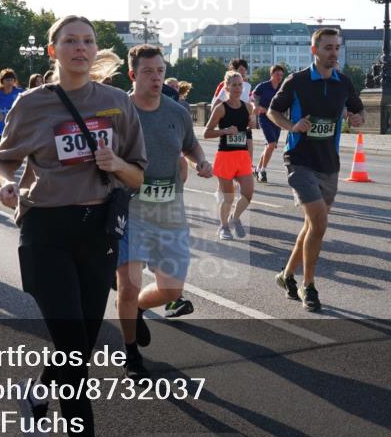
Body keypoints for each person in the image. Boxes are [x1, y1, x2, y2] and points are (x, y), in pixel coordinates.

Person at [0, 15, 145, 437]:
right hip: (46, 230)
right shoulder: (31, 103)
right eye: (71, 41)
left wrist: (115, 163)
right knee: (75, 351)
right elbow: (4, 159)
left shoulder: (117, 103)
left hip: (97, 231)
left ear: (95, 51)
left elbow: (137, 176)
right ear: (52, 50)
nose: (81, 48)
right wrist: (6, 184)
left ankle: (39, 393)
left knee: (78, 346)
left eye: (88, 41)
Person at [117, 44, 212, 380]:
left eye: (160, 71)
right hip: (129, 212)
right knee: (128, 287)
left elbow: (190, 144)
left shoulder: (177, 112)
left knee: (171, 291)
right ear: (133, 75)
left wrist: (200, 160)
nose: (156, 78)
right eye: (148, 72)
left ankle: (139, 309)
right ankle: (131, 353)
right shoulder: (119, 111)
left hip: (169, 212)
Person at [268, 28, 364, 312]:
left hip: (329, 163)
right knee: (319, 223)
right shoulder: (296, 81)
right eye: (328, 48)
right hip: (299, 160)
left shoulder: (343, 83)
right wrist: (292, 126)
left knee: (313, 226)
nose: (334, 53)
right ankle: (307, 285)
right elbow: (273, 111)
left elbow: (359, 111)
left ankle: (286, 275)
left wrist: (358, 118)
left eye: (336, 48)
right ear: (315, 50)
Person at [204, 70, 256, 240]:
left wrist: (252, 124)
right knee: (229, 197)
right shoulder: (221, 108)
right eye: (234, 85)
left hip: (242, 156)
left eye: (240, 85)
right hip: (226, 156)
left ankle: (235, 217)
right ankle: (223, 226)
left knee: (248, 193)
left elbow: (248, 132)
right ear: (226, 87)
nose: (237, 88)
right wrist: (224, 131)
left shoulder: (248, 107)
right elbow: (206, 133)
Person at [252, 64, 286, 183]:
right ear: (271, 74)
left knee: (270, 146)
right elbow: (253, 97)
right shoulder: (263, 86)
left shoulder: (282, 87)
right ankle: (263, 171)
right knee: (271, 144)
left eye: (281, 75)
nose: (279, 77)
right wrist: (255, 106)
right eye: (277, 74)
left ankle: (257, 169)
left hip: (277, 119)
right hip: (264, 118)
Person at [0, 69, 24, 159]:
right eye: (7, 80)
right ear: (2, 81)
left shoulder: (19, 93)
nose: (9, 82)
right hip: (0, 129)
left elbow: (26, 106)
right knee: (1, 153)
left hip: (14, 128)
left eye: (11, 79)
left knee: (11, 154)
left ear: (14, 81)